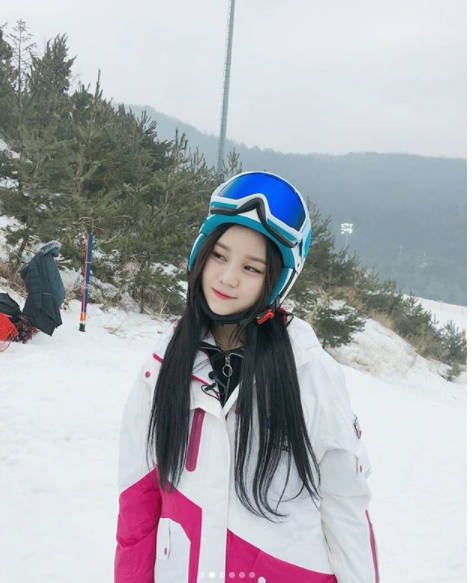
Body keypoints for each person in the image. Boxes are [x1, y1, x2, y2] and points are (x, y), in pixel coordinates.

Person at [114, 171, 380, 583]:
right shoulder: (164, 364)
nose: (228, 278)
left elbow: (345, 507)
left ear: (276, 281)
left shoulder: (308, 372)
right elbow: (139, 502)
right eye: (219, 256)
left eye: (251, 268)